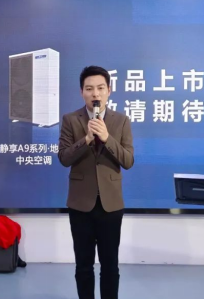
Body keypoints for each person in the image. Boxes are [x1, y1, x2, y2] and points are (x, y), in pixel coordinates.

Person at [58, 65, 134, 299]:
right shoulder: (71, 120)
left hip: (111, 204)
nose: (95, 93)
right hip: (80, 203)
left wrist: (106, 138)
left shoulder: (121, 121)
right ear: (82, 92)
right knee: (83, 265)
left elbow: (128, 160)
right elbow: (64, 158)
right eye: (89, 88)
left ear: (109, 91)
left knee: (110, 265)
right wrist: (87, 139)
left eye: (100, 88)